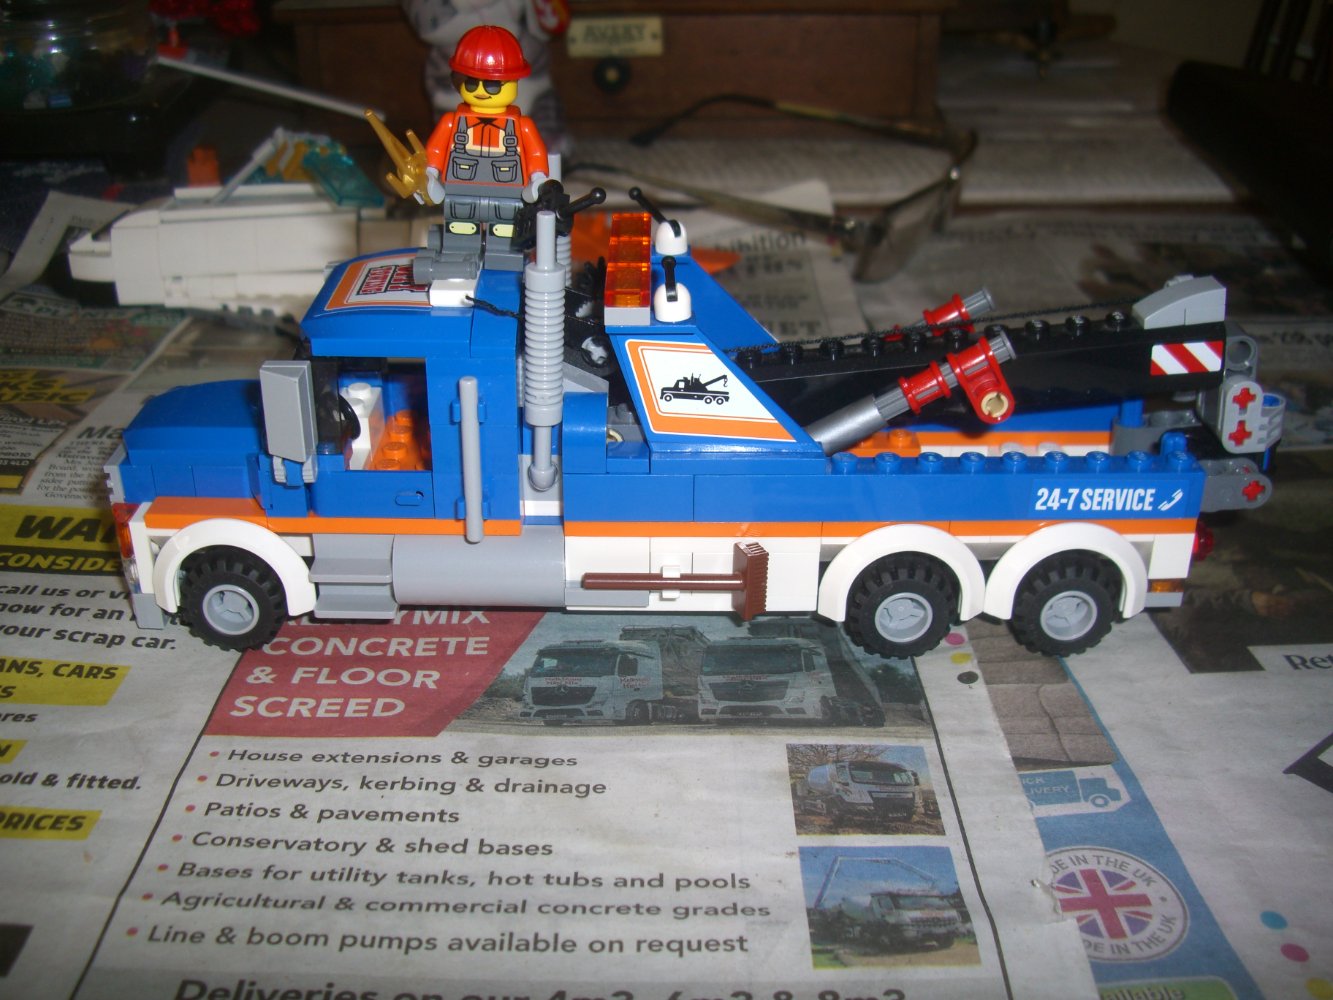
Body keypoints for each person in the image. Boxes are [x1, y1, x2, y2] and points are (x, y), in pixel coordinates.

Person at [415, 23, 549, 286]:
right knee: (460, 229)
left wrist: (538, 179)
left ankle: (504, 273)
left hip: (508, 194)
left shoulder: (522, 126)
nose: (480, 91)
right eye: (471, 82)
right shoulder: (452, 122)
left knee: (505, 237)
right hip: (461, 190)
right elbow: (436, 151)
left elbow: (535, 153)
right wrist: (429, 175)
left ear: (514, 82)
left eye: (492, 85)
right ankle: (459, 263)